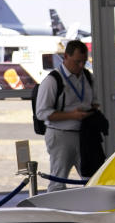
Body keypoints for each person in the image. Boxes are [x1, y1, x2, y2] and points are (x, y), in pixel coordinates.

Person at [36, 40, 96, 191]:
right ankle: (55, 213)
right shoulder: (52, 81)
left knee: (92, 178)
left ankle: (92, 211)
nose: (81, 66)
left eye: (84, 61)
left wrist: (92, 110)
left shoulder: (87, 77)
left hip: (85, 135)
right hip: (60, 135)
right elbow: (41, 113)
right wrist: (71, 115)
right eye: (77, 62)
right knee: (58, 180)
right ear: (66, 57)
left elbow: (94, 101)